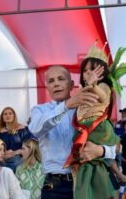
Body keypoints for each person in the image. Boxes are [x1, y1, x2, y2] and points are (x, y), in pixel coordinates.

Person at [28, 65, 116, 199]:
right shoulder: (39, 110)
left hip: (88, 181)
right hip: (55, 186)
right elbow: (36, 128)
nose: (56, 83)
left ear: (71, 84)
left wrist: (100, 151)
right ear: (47, 87)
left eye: (61, 79)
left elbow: (114, 149)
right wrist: (67, 106)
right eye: (51, 81)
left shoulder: (88, 110)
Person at [63, 45, 119, 198]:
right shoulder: (81, 90)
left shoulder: (103, 86)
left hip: (97, 128)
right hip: (83, 131)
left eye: (93, 70)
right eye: (85, 71)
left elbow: (102, 96)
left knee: (96, 165)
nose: (88, 73)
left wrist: (93, 84)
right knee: (85, 164)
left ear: (102, 72)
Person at [0, 107, 32, 172]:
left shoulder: (22, 130)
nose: (8, 115)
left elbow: (28, 146)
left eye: (10, 113)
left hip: (18, 159)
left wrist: (14, 153)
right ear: (2, 118)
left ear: (14, 116)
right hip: (3, 159)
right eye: (5, 114)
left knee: (16, 164)